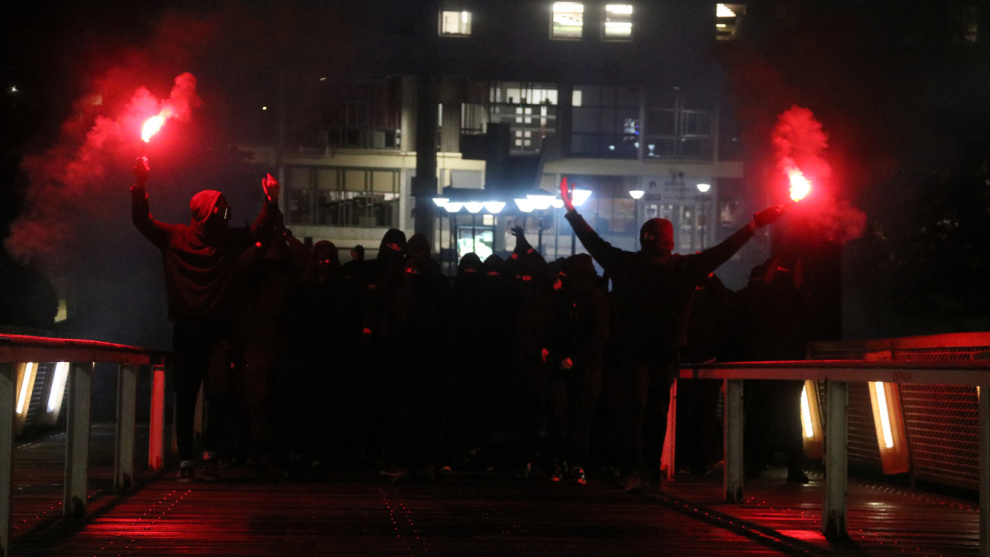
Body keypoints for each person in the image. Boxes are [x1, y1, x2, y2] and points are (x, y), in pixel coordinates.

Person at [560, 179, 783, 492]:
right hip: (667, 350)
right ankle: (651, 472)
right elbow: (724, 250)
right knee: (657, 410)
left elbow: (592, 241)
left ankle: (632, 470)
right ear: (670, 241)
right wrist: (755, 224)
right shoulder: (685, 267)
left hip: (632, 349)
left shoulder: (626, 264)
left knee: (634, 410)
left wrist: (571, 209)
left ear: (643, 239)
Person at [130, 156, 281, 481]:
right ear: (205, 213)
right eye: (221, 211)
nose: (226, 216)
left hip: (216, 331)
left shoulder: (223, 241)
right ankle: (188, 459)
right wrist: (139, 186)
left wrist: (271, 201)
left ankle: (209, 454)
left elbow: (260, 229)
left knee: (218, 394)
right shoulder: (177, 237)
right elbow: (143, 221)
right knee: (187, 397)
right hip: (190, 329)